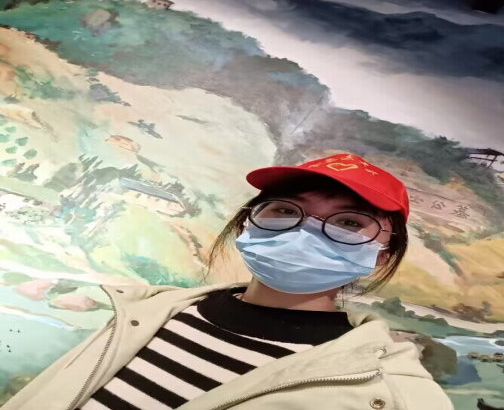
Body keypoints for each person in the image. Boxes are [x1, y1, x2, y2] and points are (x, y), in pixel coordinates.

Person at [5, 153, 454, 410]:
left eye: (350, 222)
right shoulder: (147, 311)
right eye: (285, 210)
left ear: (381, 255)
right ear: (248, 223)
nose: (305, 231)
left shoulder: (394, 394)